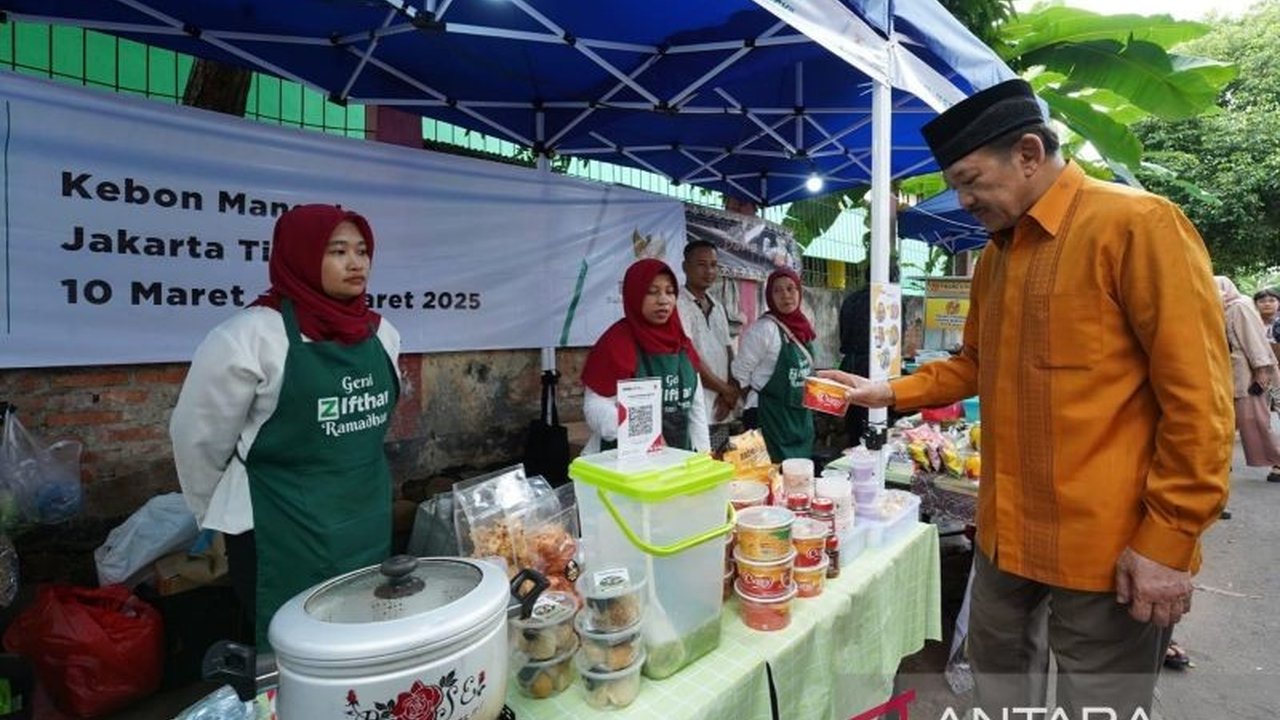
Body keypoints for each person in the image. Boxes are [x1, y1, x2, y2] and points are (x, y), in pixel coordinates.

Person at [818, 79, 1233, 717]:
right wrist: (887, 391)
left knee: (1099, 701)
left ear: (1030, 154)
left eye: (970, 179)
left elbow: (1200, 401)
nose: (962, 200)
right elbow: (974, 365)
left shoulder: (1136, 225)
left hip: (1110, 546)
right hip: (1006, 537)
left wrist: (1169, 541)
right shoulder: (994, 259)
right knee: (997, 685)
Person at [170, 204, 401, 649]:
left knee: (361, 636)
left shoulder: (382, 333)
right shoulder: (249, 337)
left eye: (362, 250)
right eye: (337, 251)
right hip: (279, 528)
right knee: (294, 649)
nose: (356, 263)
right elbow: (197, 437)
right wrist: (217, 513)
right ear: (300, 255)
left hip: (363, 516)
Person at [581, 258, 709, 454]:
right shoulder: (615, 342)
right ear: (635, 294)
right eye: (652, 292)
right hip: (622, 463)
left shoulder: (682, 342)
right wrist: (645, 434)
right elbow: (595, 406)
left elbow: (696, 409)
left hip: (679, 462)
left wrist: (704, 458)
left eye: (670, 291)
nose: (663, 300)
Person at [732, 268, 816, 462]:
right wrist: (750, 407)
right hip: (769, 418)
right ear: (769, 295)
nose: (786, 295)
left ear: (799, 292)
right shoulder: (763, 330)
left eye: (790, 288)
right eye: (777, 290)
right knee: (771, 477)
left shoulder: (804, 326)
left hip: (799, 418)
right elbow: (740, 372)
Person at [677, 240, 740, 451]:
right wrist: (727, 390)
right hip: (698, 403)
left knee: (720, 465)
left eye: (713, 265)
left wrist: (730, 392)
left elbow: (728, 349)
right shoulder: (678, 304)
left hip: (721, 405)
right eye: (702, 264)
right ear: (685, 267)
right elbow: (689, 356)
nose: (709, 271)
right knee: (700, 462)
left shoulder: (717, 305)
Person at [1220, 277, 1280, 482]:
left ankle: (1278, 461)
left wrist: (1261, 371)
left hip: (1249, 375)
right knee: (1228, 422)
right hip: (1232, 374)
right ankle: (1219, 465)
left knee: (1254, 420)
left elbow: (1254, 341)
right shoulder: (1224, 309)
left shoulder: (1238, 308)